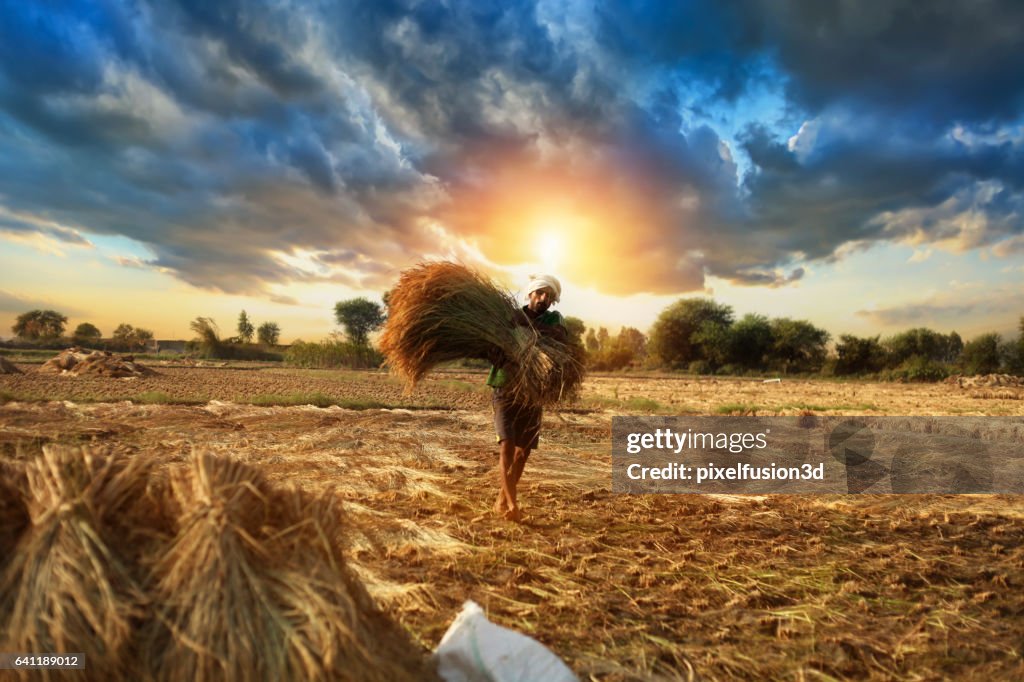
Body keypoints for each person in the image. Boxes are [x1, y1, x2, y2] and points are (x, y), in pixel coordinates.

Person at [487, 274, 568, 522]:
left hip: (534, 393)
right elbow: (492, 348)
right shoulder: (510, 317)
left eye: (549, 296)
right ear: (530, 293)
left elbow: (560, 336)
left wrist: (526, 330)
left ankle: (502, 498)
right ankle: (513, 505)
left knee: (524, 453)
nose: (544, 299)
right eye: (540, 293)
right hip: (505, 387)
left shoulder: (554, 320)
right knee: (507, 447)